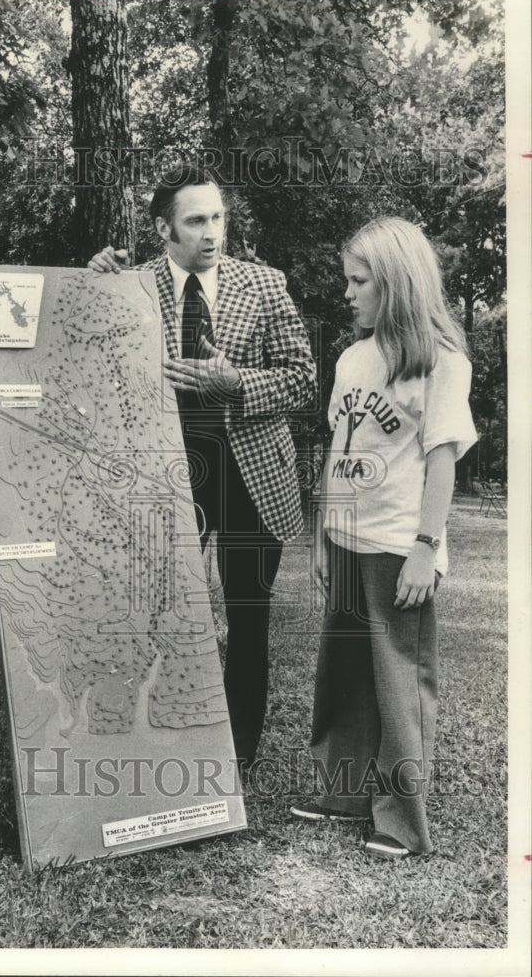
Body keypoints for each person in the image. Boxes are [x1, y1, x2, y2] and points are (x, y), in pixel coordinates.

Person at [89, 163, 316, 774]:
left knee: (248, 610)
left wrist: (235, 381)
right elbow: (91, 362)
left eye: (218, 217)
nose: (212, 232)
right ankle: (156, 732)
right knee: (154, 604)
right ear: (165, 228)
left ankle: (236, 751)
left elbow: (302, 378)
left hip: (250, 472)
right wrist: (89, 287)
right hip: (166, 472)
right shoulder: (130, 286)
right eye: (195, 221)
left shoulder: (264, 285)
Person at [290, 216, 477, 859]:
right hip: (347, 536)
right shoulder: (350, 358)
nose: (347, 293)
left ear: (394, 285)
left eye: (358, 281)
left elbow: (442, 461)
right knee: (341, 673)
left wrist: (426, 547)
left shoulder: (439, 359)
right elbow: (338, 450)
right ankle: (341, 793)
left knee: (398, 679)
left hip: (399, 543)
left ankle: (401, 819)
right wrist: (321, 530)